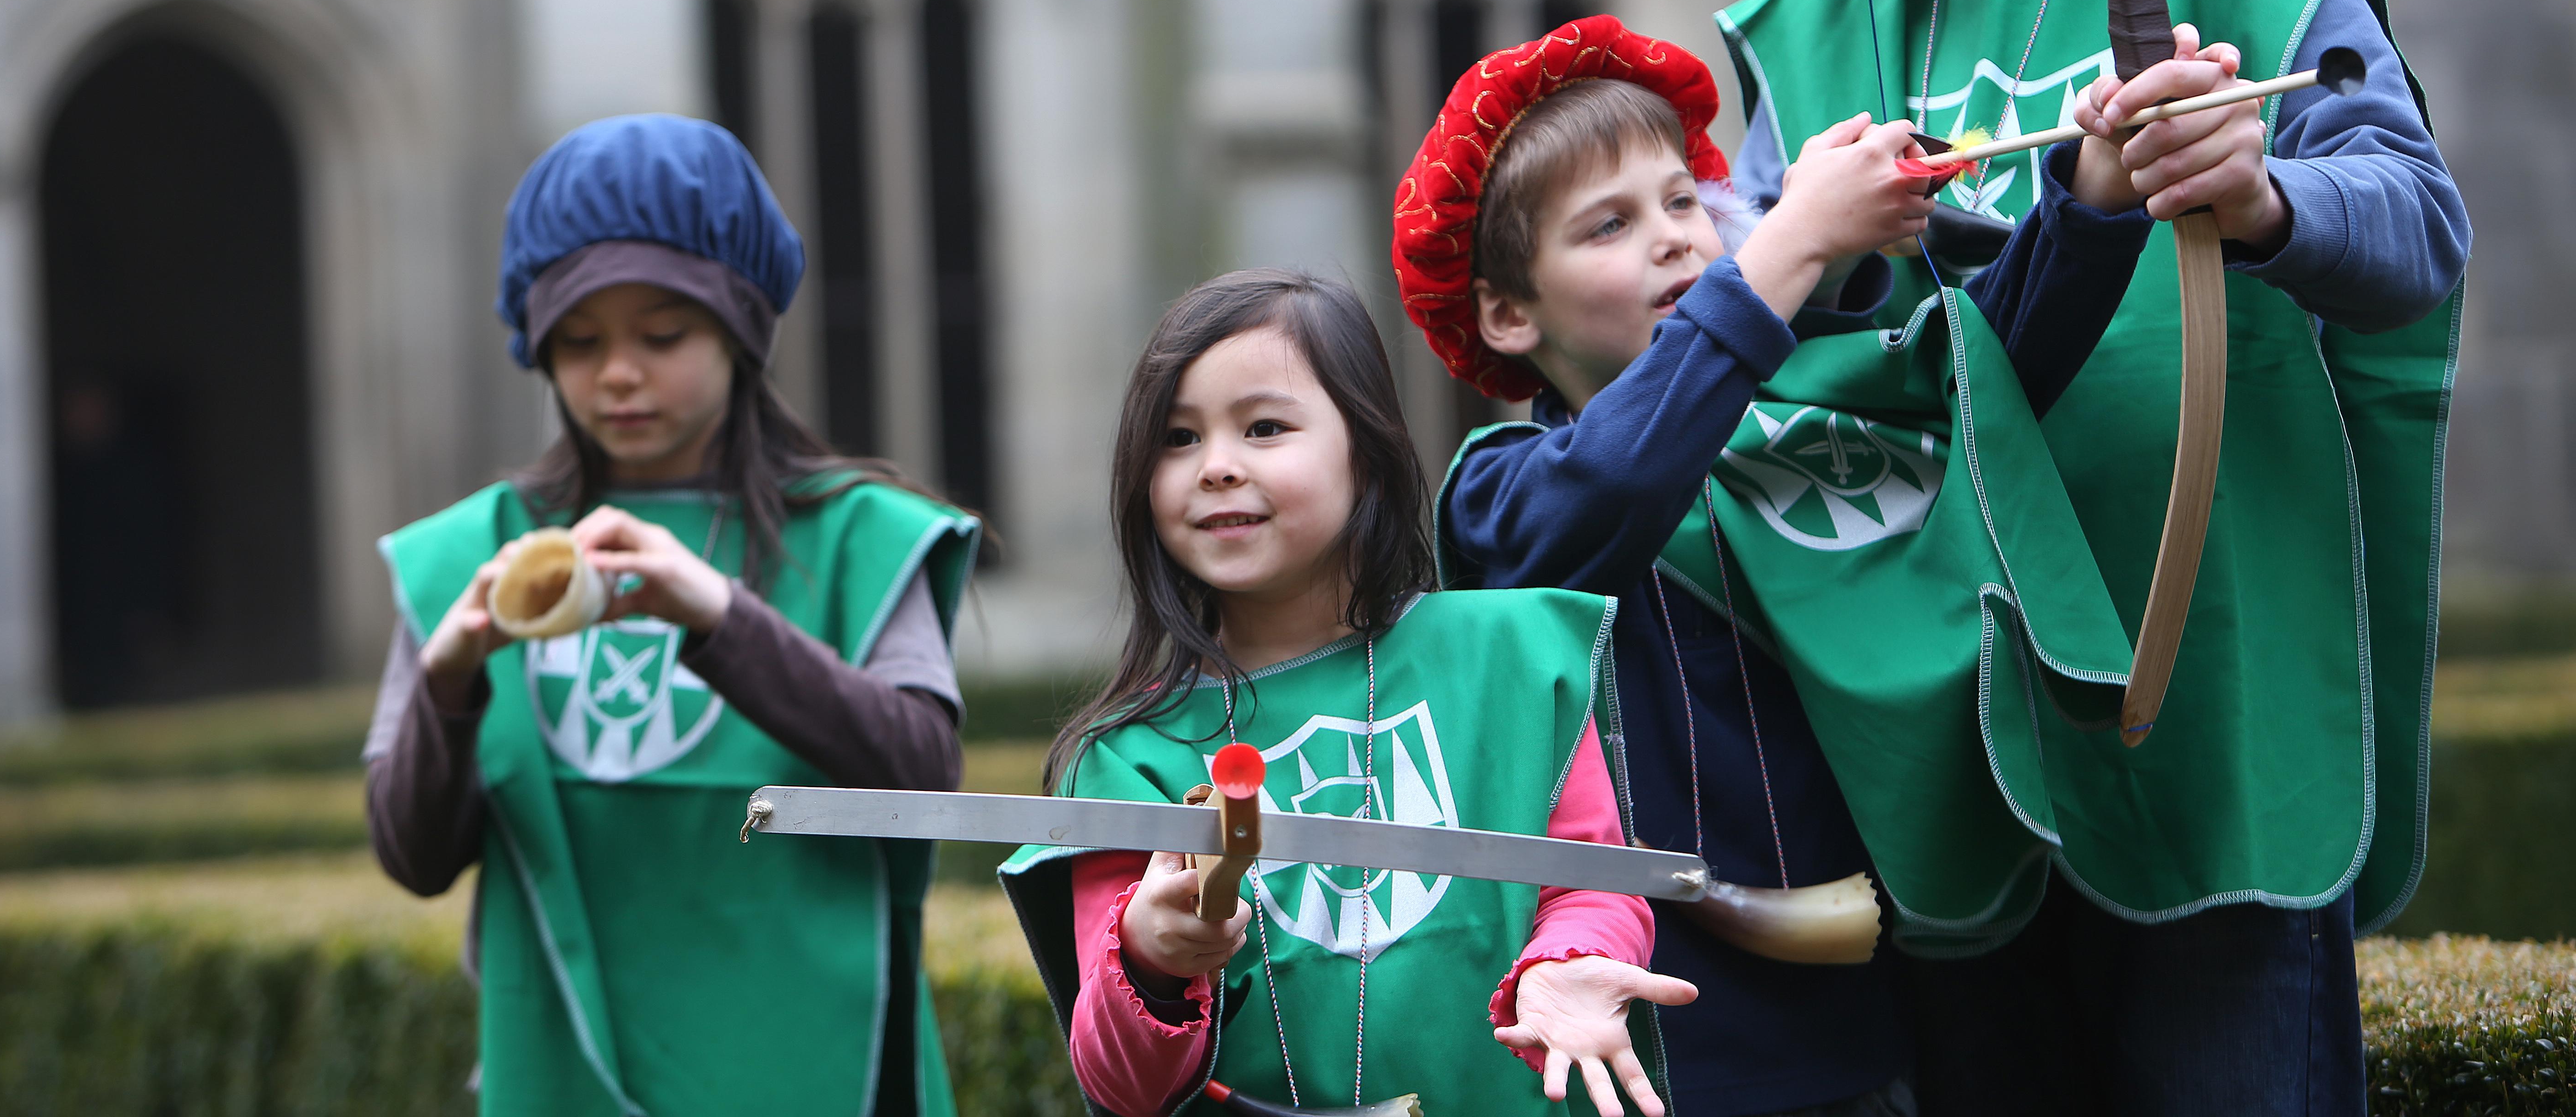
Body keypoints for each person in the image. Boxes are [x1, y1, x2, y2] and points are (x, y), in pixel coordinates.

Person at [1706, 0, 2470, 1114]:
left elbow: (2418, 230)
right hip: (1946, 745)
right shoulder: (1817, 42)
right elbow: (1731, 370)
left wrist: (2265, 197)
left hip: (2214, 702)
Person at [1399, 13, 2233, 1116]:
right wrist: (1790, 246)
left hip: (1916, 987)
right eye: (1608, 225)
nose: (1674, 240)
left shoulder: (1792, 408)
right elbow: (1619, 482)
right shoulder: (1499, 491)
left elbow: (1976, 371)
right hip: (1679, 1029)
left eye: (1685, 202)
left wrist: (2097, 186)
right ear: (1506, 314)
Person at [363, 114, 980, 1117]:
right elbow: (414, 858)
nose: (617, 373)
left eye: (662, 335)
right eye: (579, 341)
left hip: (819, 1071)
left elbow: (922, 780)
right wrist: (450, 682)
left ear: (742, 329)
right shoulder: (465, 558)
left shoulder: (862, 537)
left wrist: (720, 617)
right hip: (560, 1074)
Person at [1002, 270, 1693, 1117]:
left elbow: (1592, 882)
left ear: (1365, 451)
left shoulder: (1513, 657)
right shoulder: (1125, 755)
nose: (1216, 467)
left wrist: (1568, 966)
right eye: (1177, 439)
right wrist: (1148, 953)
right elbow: (1122, 1088)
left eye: (1264, 427)